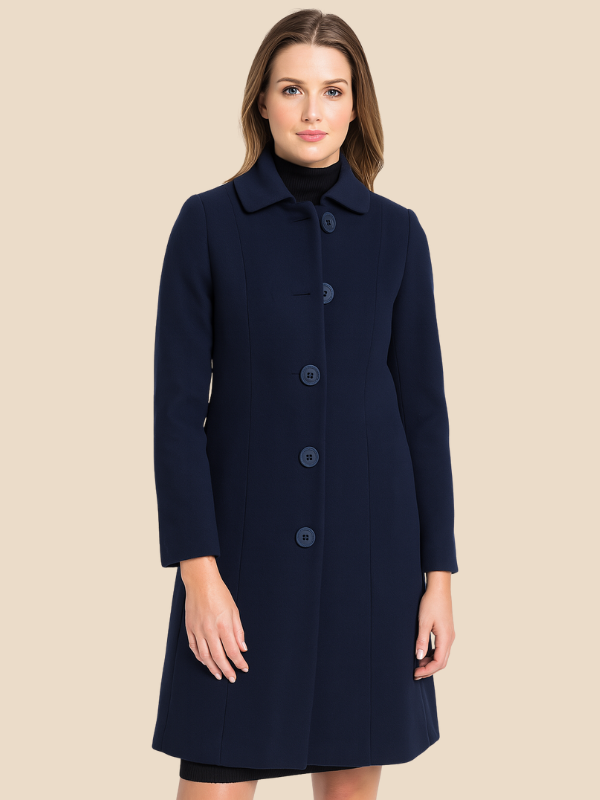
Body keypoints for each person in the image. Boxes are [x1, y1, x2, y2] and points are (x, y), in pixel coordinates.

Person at [151, 9, 459, 800]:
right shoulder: (207, 224)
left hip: (371, 563)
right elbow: (177, 415)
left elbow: (424, 415)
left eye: (333, 90)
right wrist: (199, 576)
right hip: (241, 565)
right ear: (262, 101)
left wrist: (439, 577)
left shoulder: (397, 235)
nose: (312, 110)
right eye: (292, 89)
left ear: (357, 107)